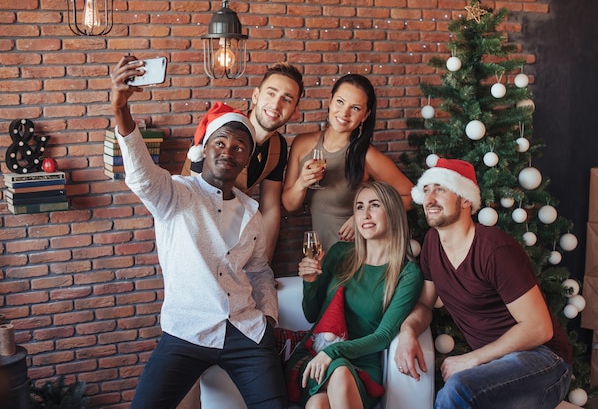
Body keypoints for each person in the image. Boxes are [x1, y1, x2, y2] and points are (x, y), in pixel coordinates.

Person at [110, 55, 287, 409]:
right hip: (186, 332)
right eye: (220, 143)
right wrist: (121, 110)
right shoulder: (176, 193)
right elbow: (141, 173)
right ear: (204, 149)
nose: (229, 152)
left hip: (246, 332)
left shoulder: (252, 214)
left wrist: (268, 317)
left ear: (247, 159)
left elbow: (259, 272)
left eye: (239, 148)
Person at [395, 158, 573, 408]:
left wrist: (472, 360)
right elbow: (425, 304)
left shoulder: (495, 250)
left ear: (466, 200)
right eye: (426, 189)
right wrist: (407, 331)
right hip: (496, 368)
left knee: (458, 390)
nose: (430, 199)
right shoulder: (432, 244)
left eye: (441, 189)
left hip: (545, 360)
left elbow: (539, 328)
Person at [285, 181, 423, 409]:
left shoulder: (407, 273)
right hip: (315, 357)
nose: (365, 214)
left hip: (359, 368)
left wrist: (334, 351)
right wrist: (310, 283)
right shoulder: (340, 253)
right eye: (359, 207)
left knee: (321, 400)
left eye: (374, 205)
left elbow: (384, 335)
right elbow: (312, 316)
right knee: (317, 404)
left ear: (393, 212)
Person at [184, 62, 304, 263]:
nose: (276, 105)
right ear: (256, 96)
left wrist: (263, 268)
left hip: (236, 238)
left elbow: (271, 209)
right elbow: (200, 200)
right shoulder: (222, 129)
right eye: (271, 94)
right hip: (195, 238)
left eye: (287, 99)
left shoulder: (278, 146)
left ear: (295, 110)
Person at [281, 74, 414, 251]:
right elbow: (290, 206)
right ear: (330, 100)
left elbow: (412, 197)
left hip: (357, 256)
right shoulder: (302, 143)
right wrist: (301, 183)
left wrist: (363, 216)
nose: (344, 113)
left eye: (355, 108)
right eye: (340, 102)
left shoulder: (367, 156)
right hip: (320, 258)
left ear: (365, 115)